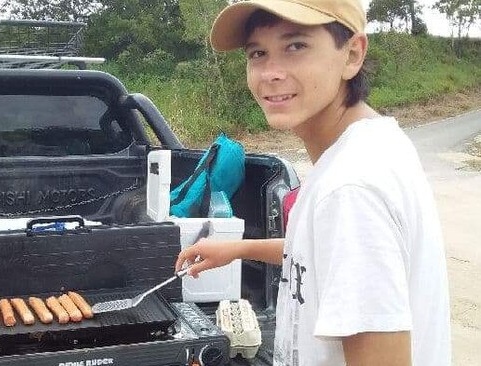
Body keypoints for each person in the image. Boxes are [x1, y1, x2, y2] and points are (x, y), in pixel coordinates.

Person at [174, 1, 451, 365]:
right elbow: (324, 251)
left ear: (352, 54)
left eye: (295, 46)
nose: (270, 72)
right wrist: (238, 249)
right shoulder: (372, 145)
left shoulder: (350, 189)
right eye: (258, 53)